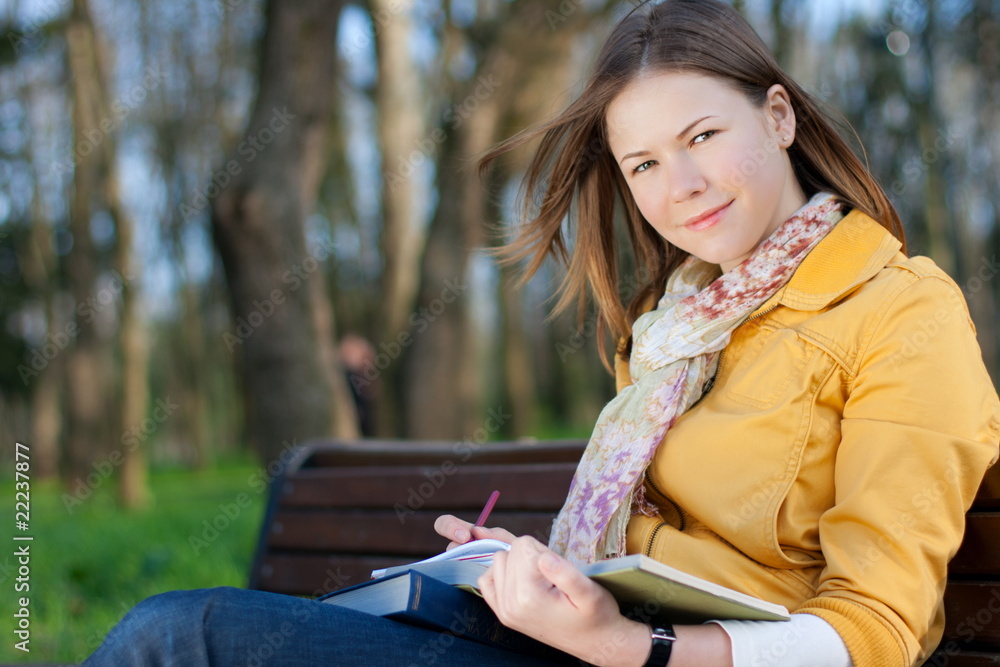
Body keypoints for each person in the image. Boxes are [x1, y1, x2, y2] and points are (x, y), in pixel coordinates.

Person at [83, 1, 1000, 666]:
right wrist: (517, 571)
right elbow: (652, 551)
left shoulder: (900, 312)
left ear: (778, 114)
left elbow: (878, 630)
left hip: (642, 659)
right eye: (644, 163)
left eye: (702, 136)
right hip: (580, 642)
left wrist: (629, 646)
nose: (681, 185)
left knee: (181, 639)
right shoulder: (673, 329)